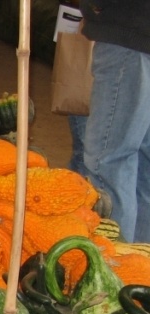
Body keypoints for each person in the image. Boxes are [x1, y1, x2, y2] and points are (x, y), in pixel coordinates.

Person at [79, 0, 150, 243]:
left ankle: (114, 267)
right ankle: (139, 269)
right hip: (139, 34)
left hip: (129, 35)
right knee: (142, 167)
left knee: (109, 161)